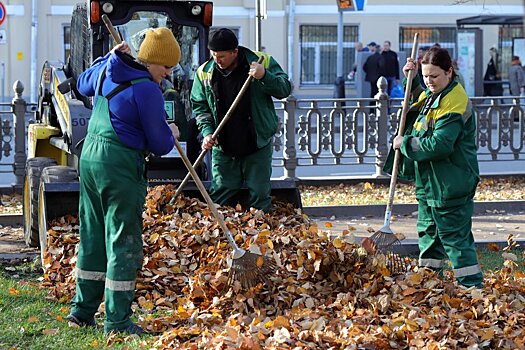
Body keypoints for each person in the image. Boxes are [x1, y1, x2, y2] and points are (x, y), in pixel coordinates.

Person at [67, 27, 181, 335]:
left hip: (90, 157)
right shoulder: (147, 90)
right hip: (118, 163)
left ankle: (81, 311)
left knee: (92, 233)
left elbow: (81, 84)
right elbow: (158, 145)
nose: (168, 74)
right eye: (165, 66)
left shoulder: (108, 68)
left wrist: (108, 57)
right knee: (122, 239)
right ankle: (117, 322)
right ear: (150, 61)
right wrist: (171, 133)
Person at [385, 46, 483, 288]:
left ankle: (473, 289)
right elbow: (422, 103)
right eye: (426, 76)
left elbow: (440, 144)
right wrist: (413, 79)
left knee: (455, 239)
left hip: (451, 183)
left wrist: (404, 143)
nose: (429, 81)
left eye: (434, 76)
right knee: (429, 237)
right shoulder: (434, 93)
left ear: (449, 72)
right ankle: (429, 282)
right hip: (430, 184)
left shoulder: (454, 101)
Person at [190, 28, 292, 212]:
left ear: (234, 52)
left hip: (256, 142)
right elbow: (200, 106)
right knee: (221, 191)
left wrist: (264, 76)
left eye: (221, 56)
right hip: (223, 145)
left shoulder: (262, 61)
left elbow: (284, 88)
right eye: (213, 55)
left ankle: (260, 230)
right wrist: (207, 132)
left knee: (259, 192)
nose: (217, 60)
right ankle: (218, 229)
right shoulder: (204, 72)